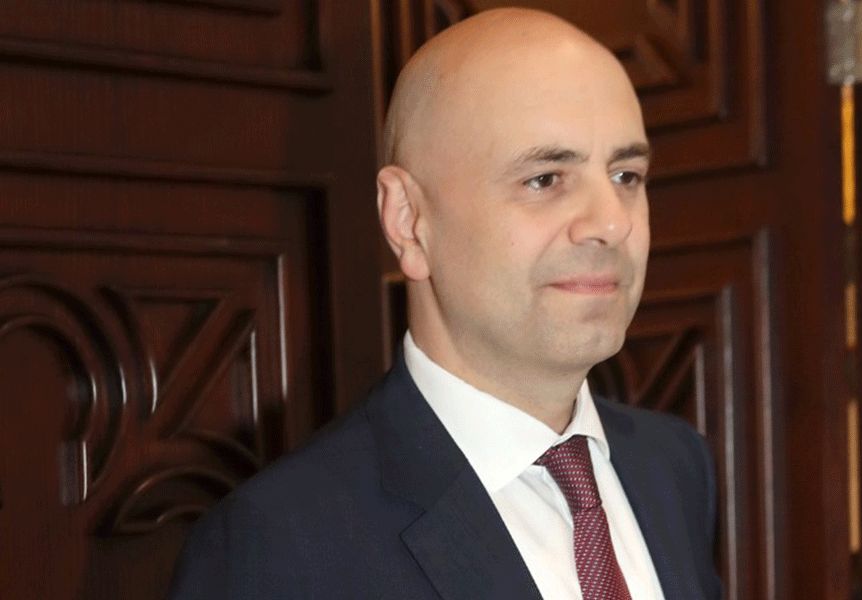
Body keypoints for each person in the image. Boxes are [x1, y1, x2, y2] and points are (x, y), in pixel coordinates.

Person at [169, 8, 721, 599]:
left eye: (626, 176)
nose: (611, 224)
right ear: (408, 221)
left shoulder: (672, 465)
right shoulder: (276, 544)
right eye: (545, 179)